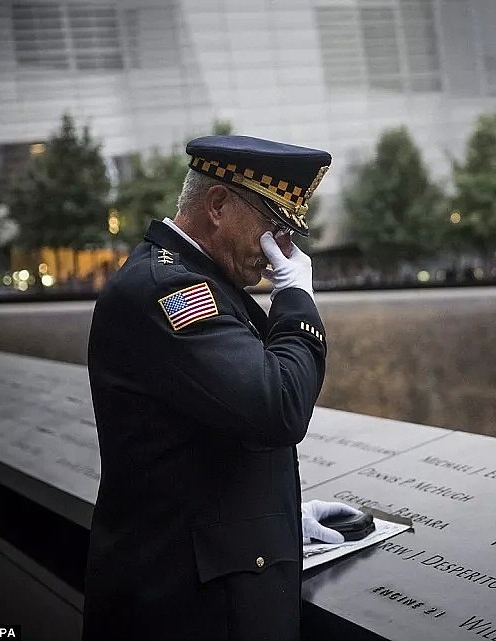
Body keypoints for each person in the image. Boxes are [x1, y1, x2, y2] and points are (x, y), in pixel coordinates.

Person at [83, 135, 360, 641]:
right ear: (217, 205)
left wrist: (278, 516)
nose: (282, 249)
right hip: (187, 613)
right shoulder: (168, 289)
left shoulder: (201, 282)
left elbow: (202, 435)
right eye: (273, 228)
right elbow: (278, 406)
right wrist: (295, 297)